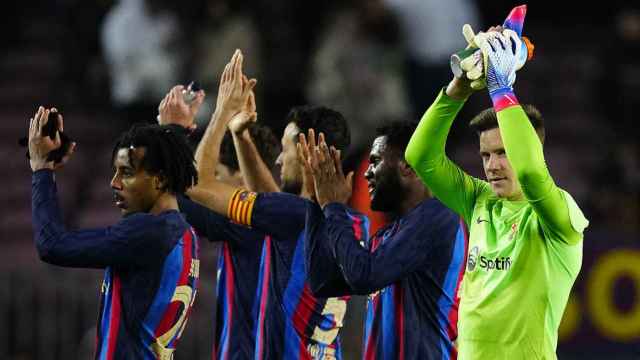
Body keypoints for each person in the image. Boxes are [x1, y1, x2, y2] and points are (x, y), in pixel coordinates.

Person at [164, 49, 366, 359]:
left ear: (311, 153)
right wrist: (240, 134)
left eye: (286, 150)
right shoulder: (351, 221)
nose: (279, 159)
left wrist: (219, 114)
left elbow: (195, 183)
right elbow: (277, 204)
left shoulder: (292, 215)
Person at [404, 22, 589, 359]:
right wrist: (458, 88)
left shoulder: (557, 216)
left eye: (503, 153)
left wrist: (501, 87)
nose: (491, 165)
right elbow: (421, 157)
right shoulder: (480, 201)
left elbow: (532, 173)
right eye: (486, 155)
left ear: (526, 148)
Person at [29, 107, 200, 359]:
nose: (114, 182)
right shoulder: (186, 235)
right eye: (115, 171)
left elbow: (51, 244)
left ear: (159, 180)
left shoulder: (147, 232)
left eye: (127, 173)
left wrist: (42, 168)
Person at [298, 121, 468, 359]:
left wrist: (334, 206)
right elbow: (322, 281)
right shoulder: (389, 234)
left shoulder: (438, 216)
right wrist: (316, 202)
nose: (366, 172)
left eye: (375, 161)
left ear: (408, 166)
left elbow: (363, 275)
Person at [157, 51, 280, 359]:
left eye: (219, 178)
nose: (213, 189)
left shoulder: (250, 227)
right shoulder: (286, 216)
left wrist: (181, 129)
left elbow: (186, 192)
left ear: (240, 176)